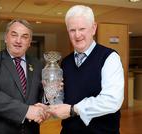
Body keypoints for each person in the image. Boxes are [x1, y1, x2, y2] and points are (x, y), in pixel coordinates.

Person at [49, 5, 124, 134]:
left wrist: (74, 109)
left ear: (93, 28)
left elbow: (112, 100)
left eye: (82, 29)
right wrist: (50, 97)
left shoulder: (109, 58)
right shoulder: (65, 62)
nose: (77, 35)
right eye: (72, 30)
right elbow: (62, 101)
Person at [0, 19, 48, 134]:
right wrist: (26, 111)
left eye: (24, 37)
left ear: (29, 42)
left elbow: (40, 96)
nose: (18, 40)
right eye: (14, 35)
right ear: (6, 38)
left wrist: (49, 95)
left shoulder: (38, 64)